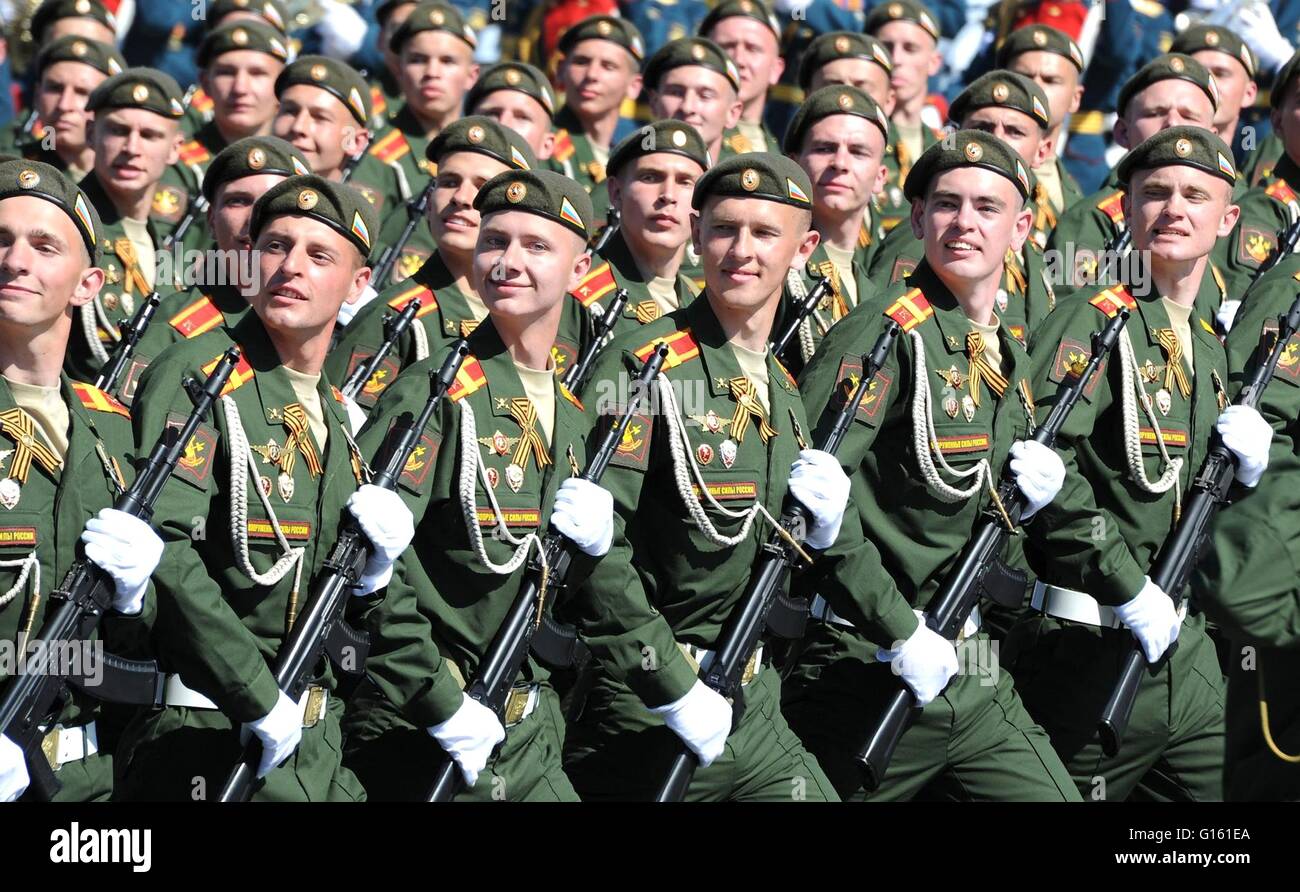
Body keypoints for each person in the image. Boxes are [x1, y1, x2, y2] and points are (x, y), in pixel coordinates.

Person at [782, 130, 1079, 802]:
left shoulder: (1003, 342)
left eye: (986, 207)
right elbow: (813, 506)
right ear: (917, 219)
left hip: (970, 665)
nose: (964, 223)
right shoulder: (882, 333)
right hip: (866, 661)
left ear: (1023, 227)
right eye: (946, 204)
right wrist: (897, 629)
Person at [563, 153, 845, 801]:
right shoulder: (647, 364)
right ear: (695, 237)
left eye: (764, 233)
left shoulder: (779, 384)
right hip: (650, 704)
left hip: (753, 696)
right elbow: (596, 551)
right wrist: (673, 689)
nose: (740, 250)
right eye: (723, 229)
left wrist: (821, 535)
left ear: (803, 248)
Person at [1008, 127, 1267, 802]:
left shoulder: (1208, 343)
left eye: (1195, 195)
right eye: (1154, 192)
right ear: (1125, 208)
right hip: (1096, 643)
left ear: (1228, 219)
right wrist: (1127, 584)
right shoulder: (1093, 322)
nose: (1174, 208)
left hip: (1189, 656)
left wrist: (1247, 481)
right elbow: (1041, 472)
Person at [113, 175, 386, 800]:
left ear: (359, 284)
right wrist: (256, 696)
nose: (290, 267)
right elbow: (165, 552)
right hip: (207, 732)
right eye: (274, 247)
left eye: (320, 256)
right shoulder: (198, 374)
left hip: (315, 744)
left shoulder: (337, 414)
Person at [342, 168, 599, 801]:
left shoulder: (570, 410)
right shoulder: (435, 391)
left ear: (580, 266)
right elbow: (368, 568)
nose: (508, 262)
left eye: (536, 246)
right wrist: (440, 700)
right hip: (424, 719)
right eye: (494, 242)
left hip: (526, 716)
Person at [0, 159, 161, 802]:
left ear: (88, 283)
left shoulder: (115, 429)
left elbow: (147, 637)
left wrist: (135, 598)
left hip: (89, 779)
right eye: (0, 241)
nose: (15, 260)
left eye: (44, 246)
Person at [115, 136, 312, 405]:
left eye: (271, 202)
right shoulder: (172, 332)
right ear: (211, 219)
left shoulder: (314, 313)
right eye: (238, 201)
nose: (253, 217)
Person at [68, 68, 188, 385]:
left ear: (175, 148)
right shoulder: (67, 222)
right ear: (91, 133)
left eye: (149, 135)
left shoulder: (167, 241)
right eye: (118, 131)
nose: (132, 148)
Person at [777, 84, 888, 375]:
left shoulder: (875, 290)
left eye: (858, 152)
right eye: (824, 148)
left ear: (880, 177)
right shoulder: (774, 264)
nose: (840, 163)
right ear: (793, 163)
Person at [566, 119, 708, 343]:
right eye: (650, 177)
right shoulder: (576, 293)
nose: (668, 194)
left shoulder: (699, 298)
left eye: (685, 182)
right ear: (616, 192)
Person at [549, 16, 646, 194]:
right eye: (581, 62)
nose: (592, 74)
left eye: (608, 66)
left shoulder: (630, 159)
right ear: (561, 70)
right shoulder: (544, 146)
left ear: (634, 86)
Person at [699, 0, 785, 156]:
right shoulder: (694, 137)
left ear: (776, 69)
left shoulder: (781, 148)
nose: (738, 59)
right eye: (727, 46)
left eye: (752, 49)